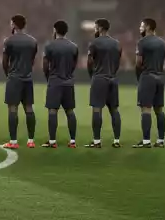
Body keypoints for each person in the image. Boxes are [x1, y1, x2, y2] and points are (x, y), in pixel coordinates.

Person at [2, 14, 39, 149]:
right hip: (27, 78)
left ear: (14, 25)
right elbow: (32, 60)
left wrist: (9, 75)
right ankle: (31, 140)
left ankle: (13, 142)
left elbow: (5, 62)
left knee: (13, 109)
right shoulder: (32, 41)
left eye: (11, 23)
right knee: (29, 108)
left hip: (14, 78)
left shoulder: (9, 41)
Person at [86, 18, 123, 148]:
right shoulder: (117, 43)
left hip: (99, 78)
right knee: (114, 110)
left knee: (97, 109)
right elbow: (118, 62)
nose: (94, 30)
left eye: (96, 27)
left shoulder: (94, 43)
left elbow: (90, 62)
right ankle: (117, 141)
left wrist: (92, 75)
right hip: (113, 78)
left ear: (100, 28)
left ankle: (96, 141)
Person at [42, 20, 79, 148]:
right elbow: (74, 64)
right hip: (68, 82)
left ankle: (52, 141)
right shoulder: (74, 47)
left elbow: (45, 65)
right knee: (70, 111)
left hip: (55, 81)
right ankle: (73, 141)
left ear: (55, 30)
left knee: (53, 111)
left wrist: (49, 77)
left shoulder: (49, 46)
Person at [134, 18, 165, 149]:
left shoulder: (142, 42)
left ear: (148, 27)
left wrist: (139, 76)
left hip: (147, 77)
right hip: (160, 77)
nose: (140, 28)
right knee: (159, 109)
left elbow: (138, 63)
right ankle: (160, 140)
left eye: (141, 26)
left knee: (146, 109)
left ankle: (146, 141)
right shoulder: (162, 43)